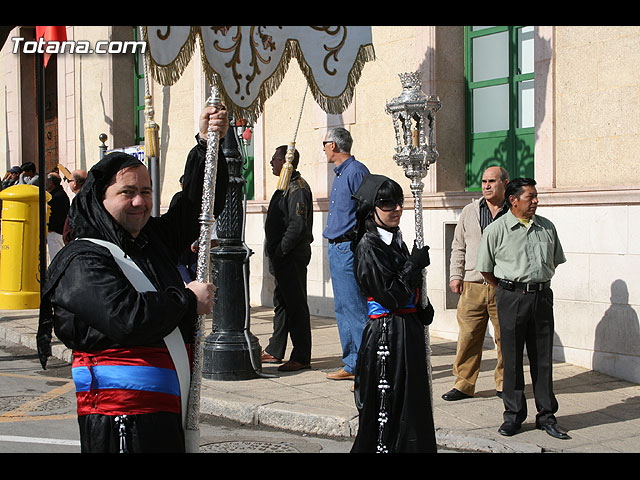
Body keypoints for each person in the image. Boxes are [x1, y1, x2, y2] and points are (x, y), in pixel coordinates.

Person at [36, 104, 229, 453]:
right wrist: (187, 300)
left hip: (165, 413)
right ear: (100, 198)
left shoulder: (150, 238)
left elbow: (197, 207)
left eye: (146, 190)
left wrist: (206, 142)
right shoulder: (80, 259)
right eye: (127, 192)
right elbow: (126, 317)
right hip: (119, 421)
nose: (140, 201)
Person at [476, 177, 570, 440]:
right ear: (513, 201)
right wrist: (508, 289)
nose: (536, 201)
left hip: (541, 298)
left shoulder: (547, 228)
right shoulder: (496, 230)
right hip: (511, 298)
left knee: (543, 360)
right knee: (512, 359)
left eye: (536, 196)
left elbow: (555, 260)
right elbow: (485, 267)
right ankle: (514, 416)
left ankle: (547, 416)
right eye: (531, 197)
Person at [350, 174, 436, 453]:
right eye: (387, 204)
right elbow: (390, 295)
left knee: (412, 403)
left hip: (405, 330)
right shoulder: (368, 246)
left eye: (399, 202)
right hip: (387, 335)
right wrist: (412, 265)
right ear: (372, 208)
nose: (396, 209)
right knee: (391, 404)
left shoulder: (394, 239)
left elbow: (407, 292)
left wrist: (421, 305)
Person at [443, 166, 509, 402]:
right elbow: (458, 245)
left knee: (505, 339)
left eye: (492, 181)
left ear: (505, 182)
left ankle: (505, 384)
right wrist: (455, 275)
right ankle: (464, 384)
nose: (487, 185)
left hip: (503, 286)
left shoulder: (512, 211)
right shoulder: (470, 211)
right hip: (472, 286)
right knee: (468, 337)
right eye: (483, 181)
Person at [322, 127, 370, 382]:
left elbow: (366, 210)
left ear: (333, 145)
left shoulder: (355, 171)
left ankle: (365, 368)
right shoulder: (341, 173)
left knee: (355, 309)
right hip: (336, 247)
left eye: (325, 143)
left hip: (348, 248)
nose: (324, 149)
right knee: (342, 308)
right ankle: (351, 363)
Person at [262, 145, 314, 372]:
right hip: (280, 257)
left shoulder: (298, 189)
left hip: (291, 257)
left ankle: (301, 355)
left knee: (296, 306)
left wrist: (281, 249)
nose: (271, 163)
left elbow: (297, 225)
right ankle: (275, 349)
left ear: (285, 162)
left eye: (274, 159)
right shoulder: (284, 187)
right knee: (282, 304)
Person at [45, 172, 70, 262]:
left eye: (47, 181)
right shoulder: (58, 194)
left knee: (56, 258)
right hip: (56, 231)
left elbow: (58, 216)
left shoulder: (57, 196)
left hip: (56, 232)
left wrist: (50, 227)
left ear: (51, 182)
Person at [62, 169, 88, 244]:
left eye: (69, 181)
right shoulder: (87, 198)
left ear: (75, 183)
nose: (68, 183)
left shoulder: (80, 201)